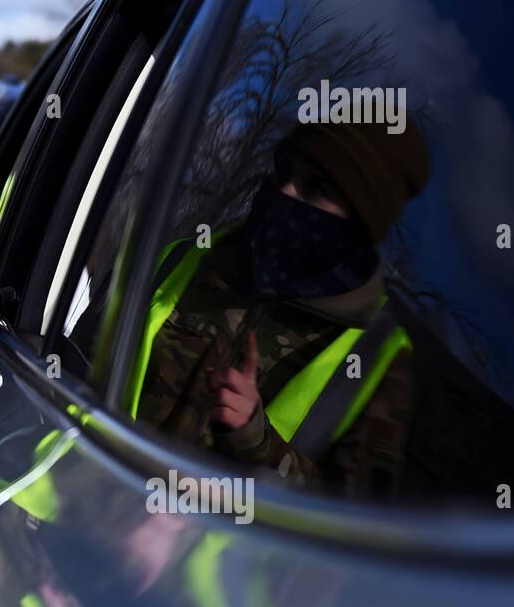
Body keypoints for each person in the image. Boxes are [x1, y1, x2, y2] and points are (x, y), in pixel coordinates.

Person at [130, 118, 431, 499]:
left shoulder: (377, 354)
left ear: (362, 223)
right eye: (284, 171)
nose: (284, 192)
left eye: (317, 188)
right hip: (81, 525)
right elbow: (76, 370)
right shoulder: (182, 261)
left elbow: (345, 522)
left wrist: (256, 439)